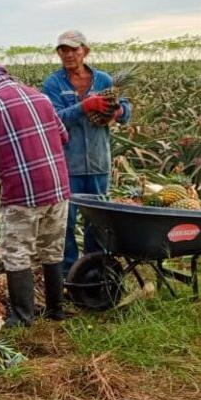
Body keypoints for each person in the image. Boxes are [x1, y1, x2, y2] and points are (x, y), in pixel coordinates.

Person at [0, 59, 71, 326]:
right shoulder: (40, 96)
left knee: (17, 252)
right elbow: (63, 136)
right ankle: (56, 309)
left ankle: (23, 317)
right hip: (57, 185)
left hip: (23, 190)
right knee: (53, 248)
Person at [42, 30, 132, 276]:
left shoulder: (103, 80)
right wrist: (85, 106)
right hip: (67, 164)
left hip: (99, 162)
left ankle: (94, 270)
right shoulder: (53, 83)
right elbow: (53, 120)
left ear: (85, 51)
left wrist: (118, 112)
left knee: (98, 221)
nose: (69, 54)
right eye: (63, 50)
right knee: (66, 222)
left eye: (74, 49)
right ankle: (69, 273)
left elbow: (125, 107)